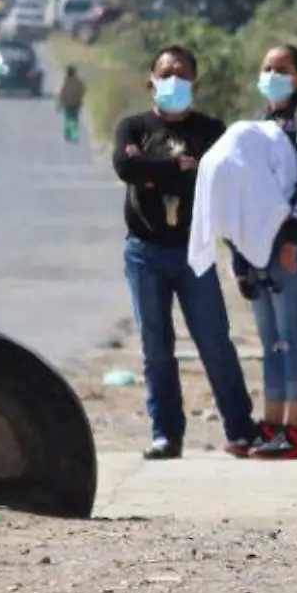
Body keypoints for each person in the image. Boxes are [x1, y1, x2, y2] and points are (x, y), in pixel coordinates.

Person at [112, 46, 260, 459]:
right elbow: (127, 169)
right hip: (144, 252)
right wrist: (177, 170)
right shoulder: (133, 128)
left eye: (181, 74)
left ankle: (240, 429)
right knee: (156, 347)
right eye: (165, 74)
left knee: (214, 341)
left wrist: (241, 256)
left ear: (195, 83)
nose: (172, 81)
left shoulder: (212, 131)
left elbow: (223, 187)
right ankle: (166, 434)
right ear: (151, 81)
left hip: (196, 251)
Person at [234, 43, 297, 460]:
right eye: (267, 68)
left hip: (293, 238)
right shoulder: (260, 122)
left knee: (292, 333)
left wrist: (293, 238)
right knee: (269, 336)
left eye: (282, 69)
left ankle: (296, 430)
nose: (272, 75)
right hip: (258, 241)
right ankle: (271, 422)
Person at [56, 65, 86, 143]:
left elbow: (62, 94)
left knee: (68, 118)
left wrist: (59, 104)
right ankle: (74, 134)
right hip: (76, 103)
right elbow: (82, 90)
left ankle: (68, 133)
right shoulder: (78, 82)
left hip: (68, 103)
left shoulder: (66, 82)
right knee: (75, 119)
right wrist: (79, 98)